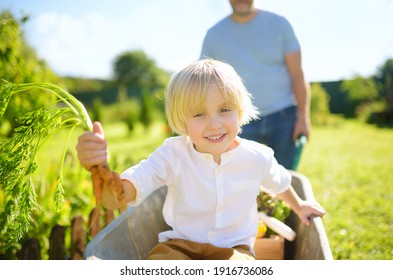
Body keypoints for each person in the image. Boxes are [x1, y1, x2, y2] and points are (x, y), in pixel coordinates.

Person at [76, 59, 325, 260]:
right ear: (182, 121)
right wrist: (102, 172)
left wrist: (301, 206)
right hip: (178, 248)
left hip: (235, 250)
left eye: (224, 109)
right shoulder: (172, 154)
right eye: (199, 114)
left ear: (240, 110)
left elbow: (280, 183)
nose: (214, 124)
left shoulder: (257, 156)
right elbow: (120, 195)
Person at [200, 0, 311, 169]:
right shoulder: (214, 35)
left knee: (284, 178)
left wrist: (303, 117)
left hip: (283, 117)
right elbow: (205, 83)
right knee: (240, 178)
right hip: (239, 120)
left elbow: (297, 74)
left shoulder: (279, 24)